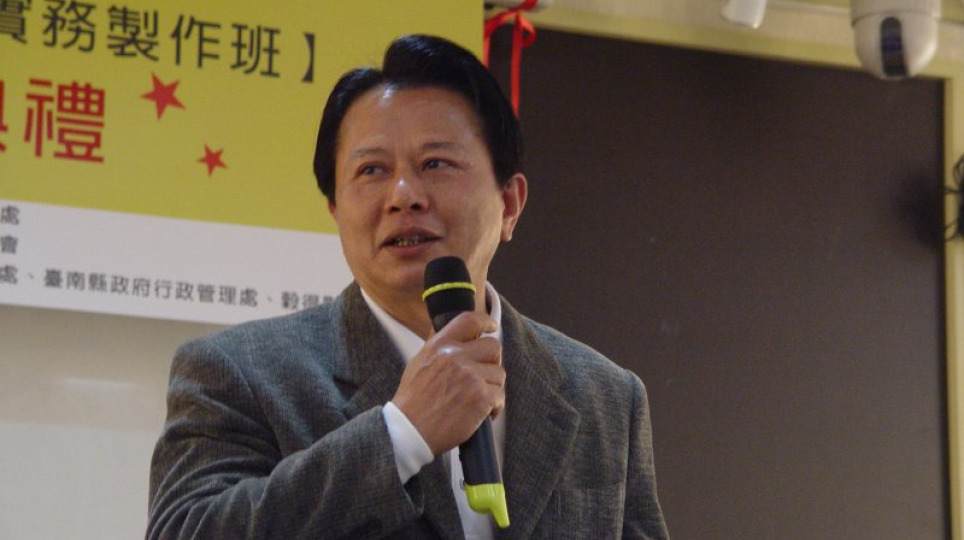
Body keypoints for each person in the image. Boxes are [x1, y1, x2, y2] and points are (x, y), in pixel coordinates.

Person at [147, 34, 669, 540]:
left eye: (435, 163)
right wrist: (401, 433)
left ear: (509, 204)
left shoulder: (605, 396)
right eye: (372, 170)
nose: (403, 195)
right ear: (335, 210)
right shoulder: (239, 373)